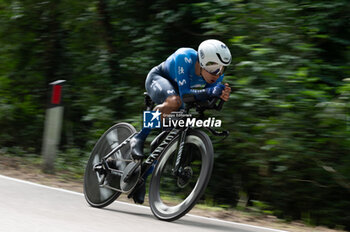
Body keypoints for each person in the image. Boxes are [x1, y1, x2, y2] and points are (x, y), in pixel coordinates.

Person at [130, 39, 232, 204]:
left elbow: (205, 102)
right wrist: (211, 92)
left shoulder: (215, 77)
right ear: (205, 61)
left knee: (170, 135)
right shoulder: (185, 57)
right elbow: (185, 94)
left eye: (222, 69)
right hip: (158, 79)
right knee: (175, 101)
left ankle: (142, 175)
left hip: (179, 94)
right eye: (215, 69)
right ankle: (139, 137)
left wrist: (219, 97)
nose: (218, 74)